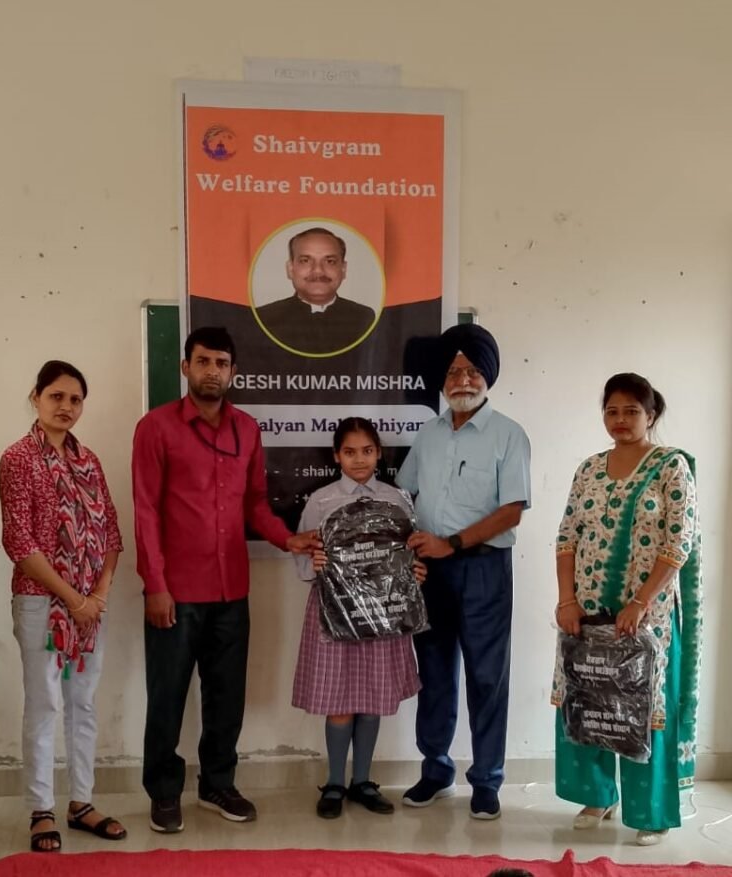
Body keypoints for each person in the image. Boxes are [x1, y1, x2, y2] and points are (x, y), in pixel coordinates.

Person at [132, 325, 319, 834]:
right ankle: (164, 792)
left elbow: (255, 504)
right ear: (185, 367)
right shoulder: (156, 428)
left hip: (232, 589)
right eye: (203, 361)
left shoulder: (247, 430)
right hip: (175, 592)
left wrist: (287, 539)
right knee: (167, 697)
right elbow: (145, 511)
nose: (211, 371)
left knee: (226, 697)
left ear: (233, 371)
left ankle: (217, 784)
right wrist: (155, 584)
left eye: (220, 363)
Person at [552, 373, 702, 846]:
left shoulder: (671, 467)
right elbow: (567, 537)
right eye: (612, 411)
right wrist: (566, 600)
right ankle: (598, 796)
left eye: (631, 411)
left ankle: (650, 813)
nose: (620, 419)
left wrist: (641, 602)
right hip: (587, 612)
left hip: (647, 617)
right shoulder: (589, 469)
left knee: (644, 708)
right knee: (591, 699)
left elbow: (677, 543)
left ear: (650, 415)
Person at [396, 323, 531, 819]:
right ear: (442, 379)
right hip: (430, 573)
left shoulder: (509, 435)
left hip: (484, 570)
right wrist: (410, 550)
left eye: (473, 370)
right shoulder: (427, 435)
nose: (463, 380)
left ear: (487, 376)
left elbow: (511, 511)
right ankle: (436, 771)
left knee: (486, 677)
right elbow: (405, 495)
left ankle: (487, 780)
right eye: (453, 371)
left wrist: (451, 543)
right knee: (434, 673)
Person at [0, 360, 126, 852]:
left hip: (90, 608)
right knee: (45, 703)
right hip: (41, 604)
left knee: (83, 702)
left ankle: (82, 803)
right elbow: (19, 542)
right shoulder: (18, 459)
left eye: (75, 399)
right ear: (36, 397)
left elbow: (111, 533)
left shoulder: (88, 460)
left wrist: (97, 597)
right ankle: (41, 809)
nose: (66, 406)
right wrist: (74, 599)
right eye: (56, 396)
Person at [291, 418, 423, 819]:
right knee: (339, 701)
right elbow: (303, 559)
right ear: (336, 456)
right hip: (335, 614)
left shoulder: (398, 500)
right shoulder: (321, 501)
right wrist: (313, 563)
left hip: (383, 617)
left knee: (372, 701)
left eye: (367, 451)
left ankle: (362, 781)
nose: (359, 459)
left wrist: (416, 573)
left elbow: (409, 554)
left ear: (379, 453)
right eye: (350, 452)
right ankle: (334, 782)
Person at [254, 227, 376, 355]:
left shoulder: (364, 318)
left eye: (330, 261)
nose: (318, 270)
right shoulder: (264, 318)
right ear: (290, 269)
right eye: (305, 261)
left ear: (343, 269)